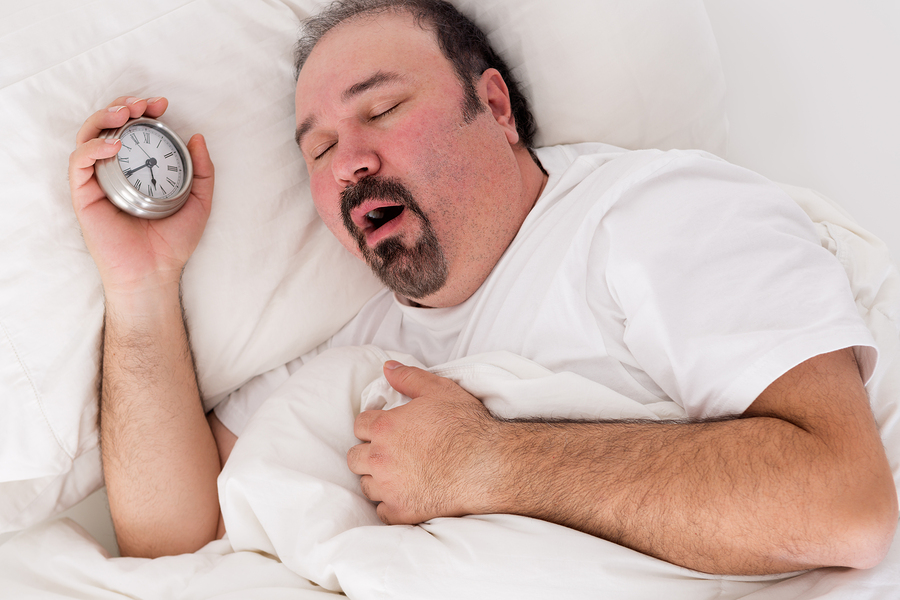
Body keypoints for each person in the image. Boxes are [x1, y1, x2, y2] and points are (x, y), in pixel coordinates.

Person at [69, 0, 897, 575]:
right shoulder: (355, 358)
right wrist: (141, 282)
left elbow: (842, 503)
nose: (350, 160)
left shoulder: (650, 216)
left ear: (494, 105)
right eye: (318, 151)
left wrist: (492, 462)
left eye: (382, 109)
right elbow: (168, 532)